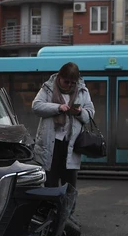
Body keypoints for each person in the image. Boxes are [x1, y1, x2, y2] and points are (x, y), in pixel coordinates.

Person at [31, 61, 96, 190]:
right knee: (50, 184)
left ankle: (66, 210)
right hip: (51, 144)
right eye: (66, 82)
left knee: (69, 186)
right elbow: (36, 106)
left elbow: (90, 114)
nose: (69, 85)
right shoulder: (48, 88)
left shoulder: (82, 90)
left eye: (73, 83)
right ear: (59, 77)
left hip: (71, 145)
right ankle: (52, 210)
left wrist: (80, 112)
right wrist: (58, 108)